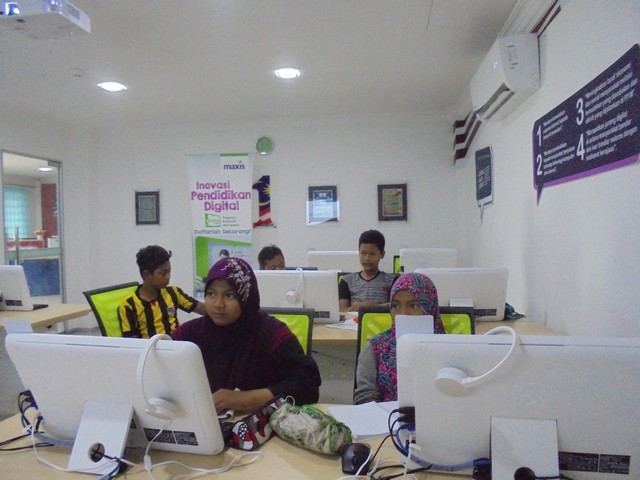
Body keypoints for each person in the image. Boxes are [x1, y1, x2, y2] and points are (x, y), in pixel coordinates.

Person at [171, 256, 321, 415]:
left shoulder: (273, 334)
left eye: (229, 295)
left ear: (246, 298)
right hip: (199, 422)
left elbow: (307, 387)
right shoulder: (188, 334)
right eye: (211, 294)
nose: (218, 304)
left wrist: (241, 399)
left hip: (259, 424)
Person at [353, 273, 445, 404]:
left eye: (413, 306)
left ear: (430, 307)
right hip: (387, 416)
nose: (403, 314)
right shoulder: (375, 348)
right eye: (395, 306)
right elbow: (365, 399)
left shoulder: (450, 348)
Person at [118, 245, 206, 338]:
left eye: (169, 272)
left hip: (176, 344)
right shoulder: (128, 305)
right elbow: (131, 341)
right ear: (146, 274)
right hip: (149, 346)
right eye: (163, 273)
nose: (168, 277)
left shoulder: (173, 292)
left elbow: (201, 308)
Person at [338, 230, 397, 312]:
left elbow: (397, 306)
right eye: (363, 253)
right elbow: (342, 311)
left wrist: (372, 307)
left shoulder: (392, 280)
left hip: (381, 319)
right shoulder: (347, 281)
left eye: (372, 254)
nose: (367, 258)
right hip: (353, 319)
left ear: (382, 254)